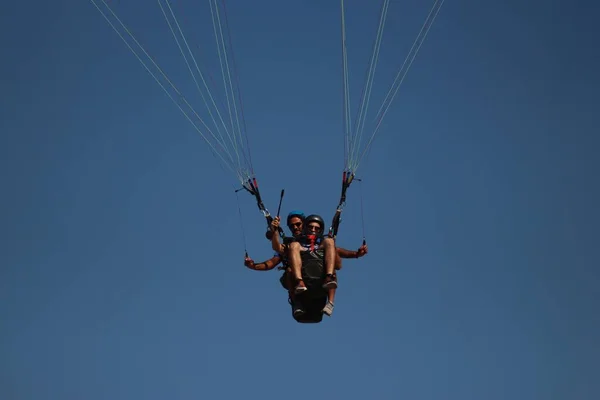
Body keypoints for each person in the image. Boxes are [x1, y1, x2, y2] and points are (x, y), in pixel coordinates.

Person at [245, 210, 368, 317]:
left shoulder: (320, 241)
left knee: (330, 251)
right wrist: (254, 265)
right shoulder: (291, 245)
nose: (295, 228)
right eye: (292, 226)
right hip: (300, 286)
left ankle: (330, 299)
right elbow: (273, 258)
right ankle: (297, 299)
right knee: (289, 269)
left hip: (320, 281)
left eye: (298, 224)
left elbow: (339, 251)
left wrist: (357, 254)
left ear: (304, 225)